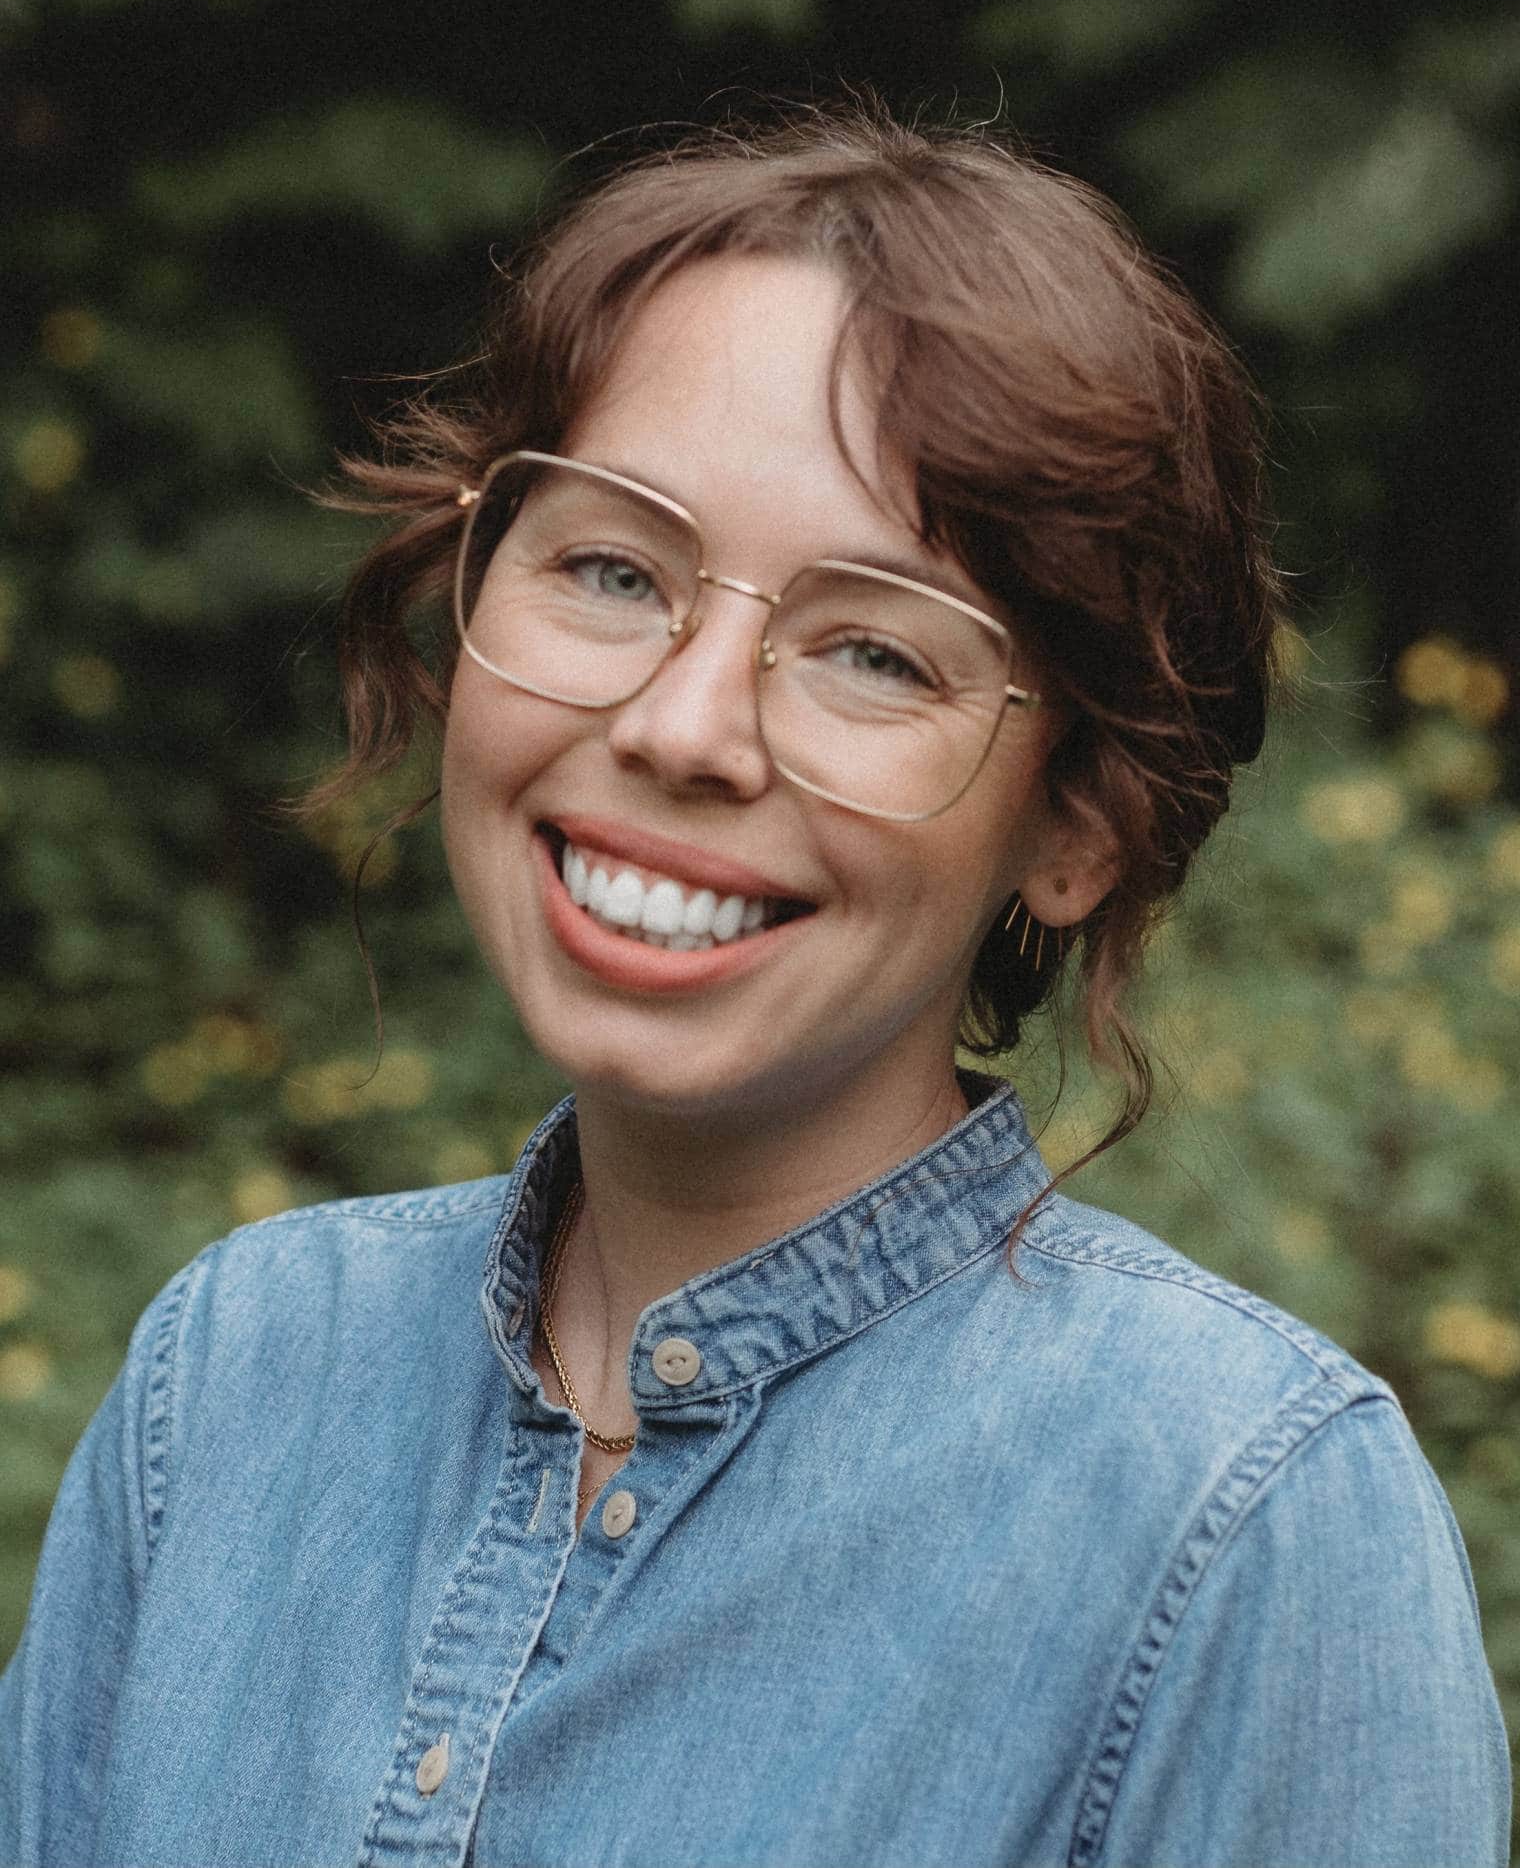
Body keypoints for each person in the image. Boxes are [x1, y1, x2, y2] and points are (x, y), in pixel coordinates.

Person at [0, 104, 1510, 1868]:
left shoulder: (1241, 1527)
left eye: (874, 652)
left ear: (1080, 830)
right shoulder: (239, 1372)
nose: (683, 724)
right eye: (614, 569)